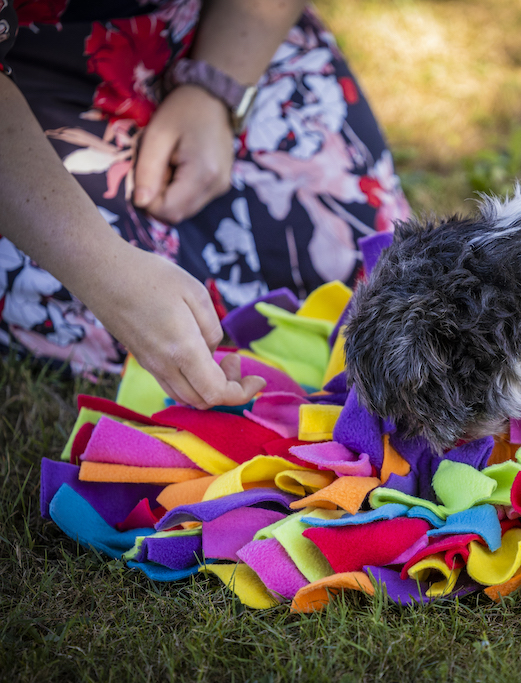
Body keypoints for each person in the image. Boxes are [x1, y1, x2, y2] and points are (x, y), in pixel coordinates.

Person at [0, 0, 410, 407]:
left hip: (222, 27)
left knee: (358, 239)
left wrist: (217, 90)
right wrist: (106, 271)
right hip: (30, 75)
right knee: (85, 311)